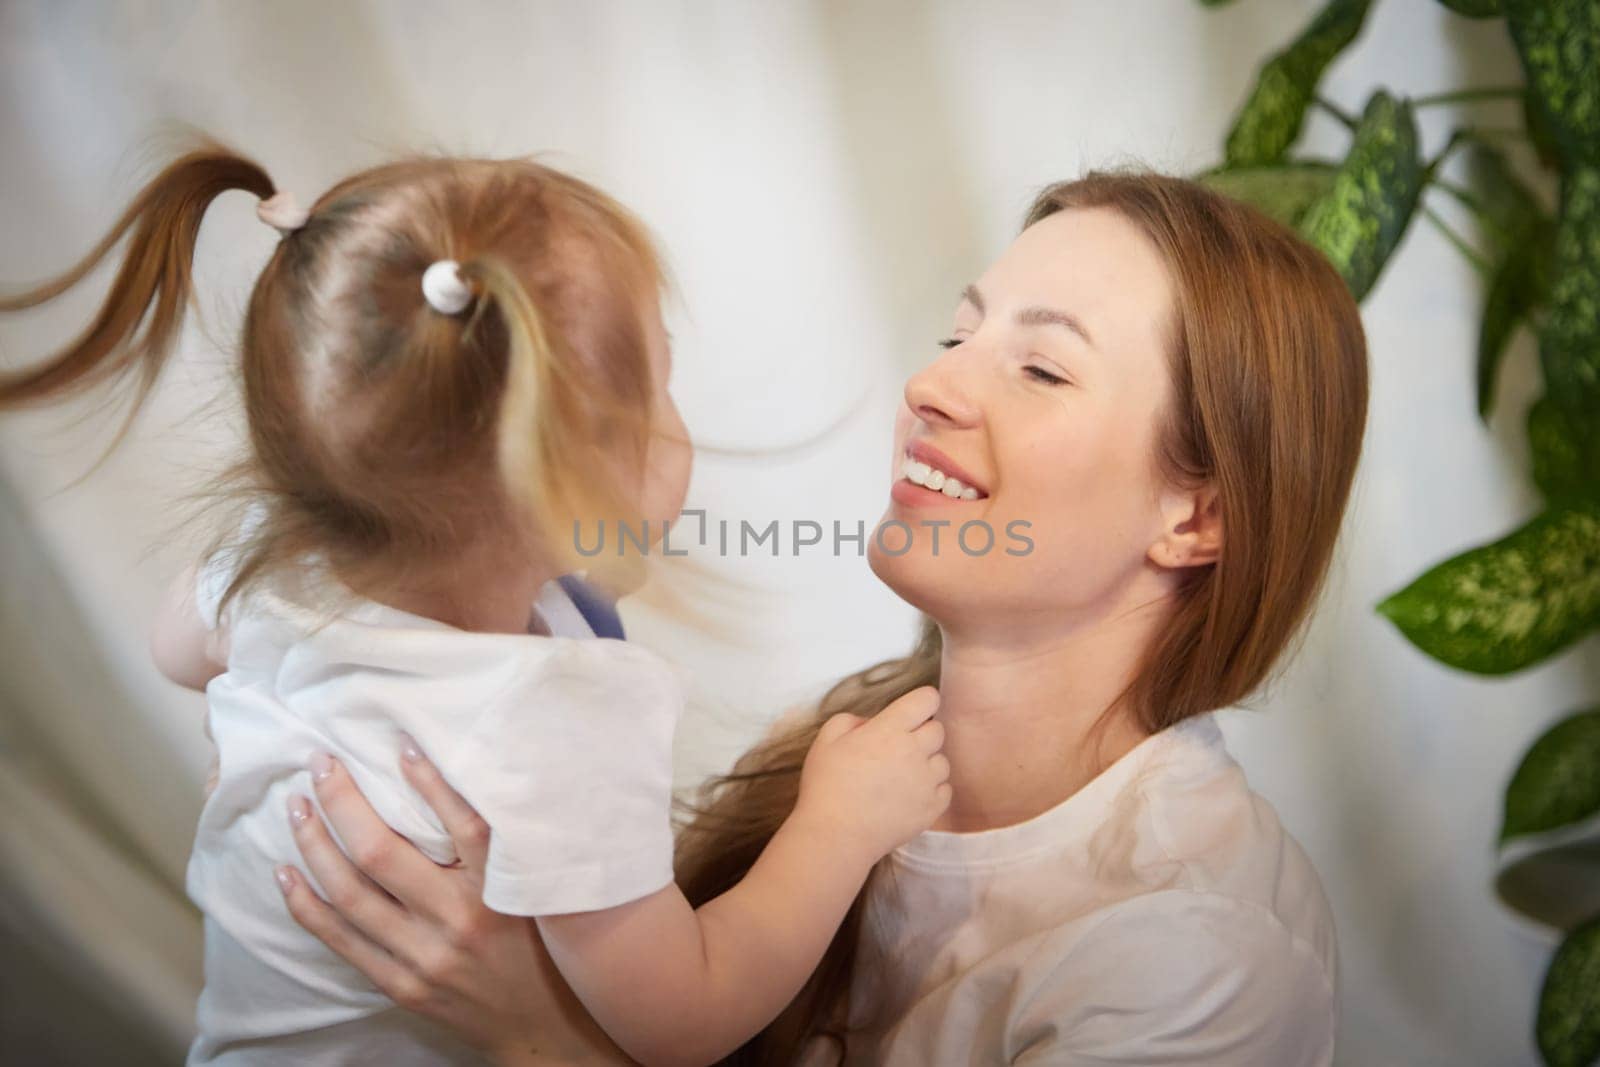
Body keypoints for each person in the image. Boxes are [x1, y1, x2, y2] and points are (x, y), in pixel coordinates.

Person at [274, 169, 1366, 1066]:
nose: (932, 388)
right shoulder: (847, 749)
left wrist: (533, 1034)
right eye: (957, 335)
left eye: (1038, 366)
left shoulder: (1196, 956)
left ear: (1196, 515)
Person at [0, 146, 953, 1067]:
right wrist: (837, 826)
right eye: (661, 388)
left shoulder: (279, 556)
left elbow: (179, 647)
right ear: (566, 484)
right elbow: (687, 1015)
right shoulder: (554, 723)